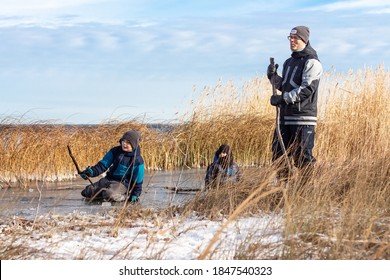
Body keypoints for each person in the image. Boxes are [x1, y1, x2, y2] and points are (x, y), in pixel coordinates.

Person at [267, 26, 323, 179]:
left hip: (303, 119)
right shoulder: (288, 62)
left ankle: (305, 194)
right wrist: (272, 77)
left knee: (302, 158)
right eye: (290, 38)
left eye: (295, 38)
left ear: (304, 40)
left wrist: (282, 98)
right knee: (279, 157)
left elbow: (306, 90)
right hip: (285, 118)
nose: (292, 40)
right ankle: (284, 190)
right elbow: (284, 85)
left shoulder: (312, 63)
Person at [79, 129, 144, 203]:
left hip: (123, 184)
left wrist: (135, 195)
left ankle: (125, 196)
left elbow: (138, 181)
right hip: (108, 179)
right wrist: (90, 172)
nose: (124, 144)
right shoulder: (115, 151)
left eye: (128, 143)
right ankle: (103, 194)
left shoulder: (138, 160)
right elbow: (103, 165)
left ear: (134, 144)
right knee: (87, 192)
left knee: (109, 194)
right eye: (123, 141)